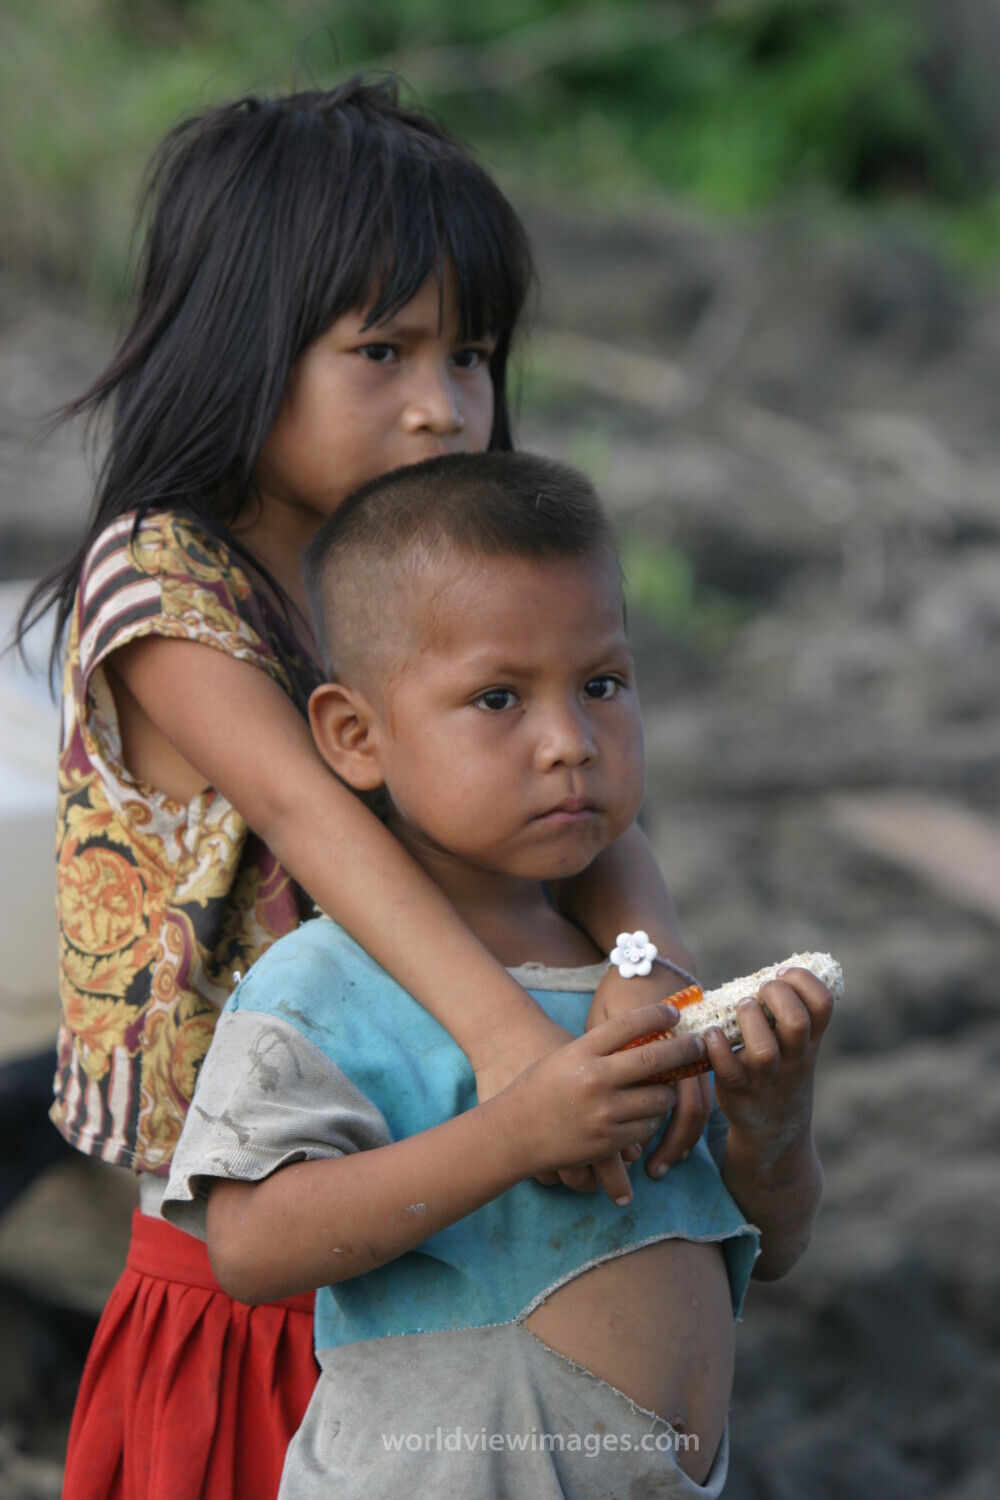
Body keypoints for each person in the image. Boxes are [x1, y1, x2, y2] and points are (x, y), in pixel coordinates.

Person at [15, 80, 711, 1499]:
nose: (442, 408)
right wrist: (514, 1048)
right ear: (244, 346)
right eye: (382, 352)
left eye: (472, 356)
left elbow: (591, 811)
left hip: (465, 1199)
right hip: (271, 1238)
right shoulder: (163, 579)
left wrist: (656, 981)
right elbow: (311, 820)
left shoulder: (439, 570)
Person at [164, 451, 834, 1499]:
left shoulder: (636, 982)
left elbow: (774, 1247)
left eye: (601, 686)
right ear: (355, 736)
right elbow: (248, 1248)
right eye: (497, 698)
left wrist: (772, 1128)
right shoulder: (324, 986)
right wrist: (512, 1136)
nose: (570, 743)